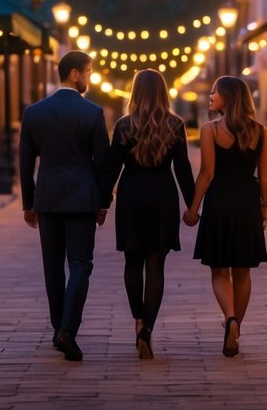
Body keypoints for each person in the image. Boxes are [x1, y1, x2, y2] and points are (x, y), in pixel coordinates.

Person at [18, 50, 110, 362]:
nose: (89, 77)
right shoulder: (92, 113)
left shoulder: (34, 113)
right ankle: (68, 329)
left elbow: (25, 162)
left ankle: (59, 327)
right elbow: (103, 163)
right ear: (75, 73)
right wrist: (103, 201)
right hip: (82, 198)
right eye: (88, 71)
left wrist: (28, 203)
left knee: (53, 267)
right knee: (82, 264)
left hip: (48, 198)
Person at [100, 69, 195, 360]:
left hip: (131, 197)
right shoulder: (175, 125)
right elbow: (183, 169)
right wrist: (193, 205)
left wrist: (102, 203)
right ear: (163, 93)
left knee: (132, 263)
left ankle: (138, 320)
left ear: (135, 92)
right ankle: (148, 330)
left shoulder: (124, 125)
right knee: (156, 266)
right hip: (162, 197)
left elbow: (112, 168)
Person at [183, 75, 267, 358]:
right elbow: (265, 176)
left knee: (220, 270)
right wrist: (264, 207)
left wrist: (193, 208)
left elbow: (207, 174)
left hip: (219, 201)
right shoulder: (261, 131)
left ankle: (230, 317)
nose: (210, 97)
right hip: (247, 201)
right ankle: (236, 328)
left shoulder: (210, 130)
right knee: (243, 270)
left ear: (229, 97)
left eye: (214, 93)